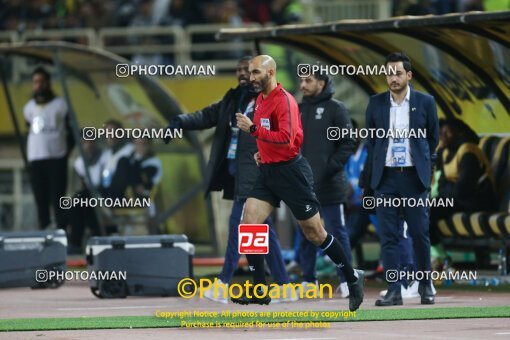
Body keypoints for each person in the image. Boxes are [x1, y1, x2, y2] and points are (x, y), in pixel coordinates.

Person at [234, 55, 364, 311]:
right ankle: (260, 289)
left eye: (257, 72)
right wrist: (263, 152)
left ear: (271, 73)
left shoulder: (285, 101)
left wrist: (253, 131)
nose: (252, 78)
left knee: (314, 233)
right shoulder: (259, 100)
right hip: (269, 172)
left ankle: (351, 278)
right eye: (250, 73)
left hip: (292, 174)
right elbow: (270, 138)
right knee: (248, 223)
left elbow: (287, 139)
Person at [164, 56, 294, 303]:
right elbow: (207, 116)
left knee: (239, 227)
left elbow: (284, 136)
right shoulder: (233, 98)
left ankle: (224, 283)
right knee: (264, 232)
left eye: (249, 70)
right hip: (237, 175)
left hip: (257, 175)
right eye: (240, 70)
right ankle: (283, 286)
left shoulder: (270, 100)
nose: (244, 74)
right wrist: (179, 122)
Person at [363, 52, 439, 306]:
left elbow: (432, 139)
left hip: (413, 178)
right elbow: (372, 143)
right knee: (389, 237)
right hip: (385, 179)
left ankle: (426, 285)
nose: (392, 78)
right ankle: (394, 289)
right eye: (388, 73)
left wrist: (424, 168)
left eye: (397, 73)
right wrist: (370, 181)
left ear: (408, 75)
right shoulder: (375, 103)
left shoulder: (425, 102)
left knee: (419, 234)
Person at [296, 70, 356, 298]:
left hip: (331, 185)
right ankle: (308, 280)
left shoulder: (336, 109)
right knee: (305, 233)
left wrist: (330, 168)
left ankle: (347, 279)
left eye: (308, 80)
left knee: (337, 233)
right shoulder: (299, 110)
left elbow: (348, 142)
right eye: (301, 80)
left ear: (321, 83)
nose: (302, 85)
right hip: (304, 186)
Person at [429, 118, 496, 254]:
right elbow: (442, 185)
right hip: (457, 201)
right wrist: (450, 188)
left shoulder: (468, 151)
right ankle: (436, 256)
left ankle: (440, 259)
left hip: (478, 201)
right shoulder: (445, 151)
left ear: (459, 133)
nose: (442, 136)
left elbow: (463, 190)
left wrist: (448, 188)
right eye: (441, 132)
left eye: (447, 132)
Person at [24, 66, 74, 230]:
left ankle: (62, 231)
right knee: (40, 199)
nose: (38, 85)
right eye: (35, 82)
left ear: (48, 83)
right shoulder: (29, 107)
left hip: (56, 158)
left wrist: (66, 153)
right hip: (37, 159)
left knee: (58, 198)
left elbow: (71, 131)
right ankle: (43, 230)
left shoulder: (60, 104)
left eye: (41, 81)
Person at [68, 135, 107, 254]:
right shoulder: (80, 162)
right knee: (81, 201)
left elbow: (100, 180)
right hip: (90, 196)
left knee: (81, 199)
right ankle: (80, 240)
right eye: (84, 142)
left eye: (90, 141)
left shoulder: (104, 157)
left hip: (103, 192)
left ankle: (75, 241)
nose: (88, 145)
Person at [129, 137, 163, 234]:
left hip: (147, 196)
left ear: (148, 145)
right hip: (131, 195)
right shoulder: (131, 159)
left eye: (143, 144)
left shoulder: (154, 162)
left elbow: (147, 182)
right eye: (137, 144)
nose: (140, 147)